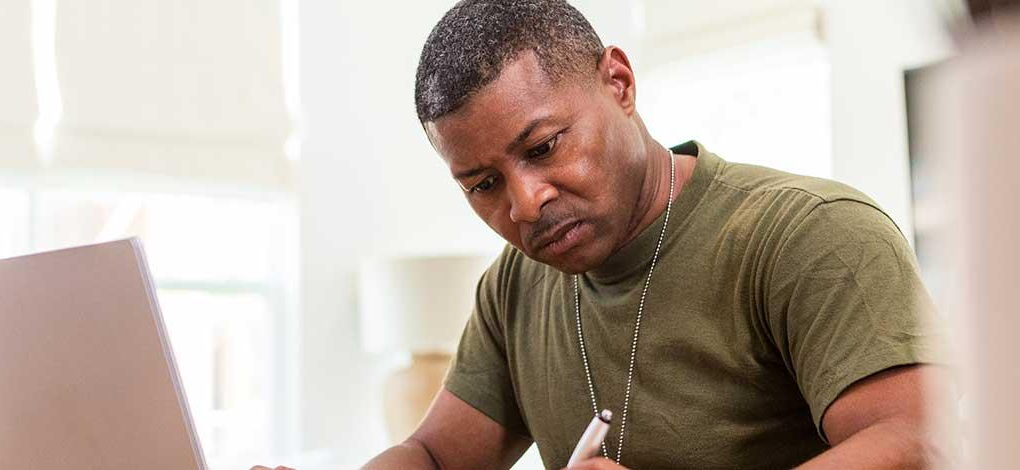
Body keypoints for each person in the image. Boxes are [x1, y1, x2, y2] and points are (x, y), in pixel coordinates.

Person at [261, 1, 949, 469]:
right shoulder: (516, 284)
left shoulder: (808, 234)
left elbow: (918, 442)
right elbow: (436, 456)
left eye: (543, 148)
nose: (525, 204)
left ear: (618, 83)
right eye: (482, 184)